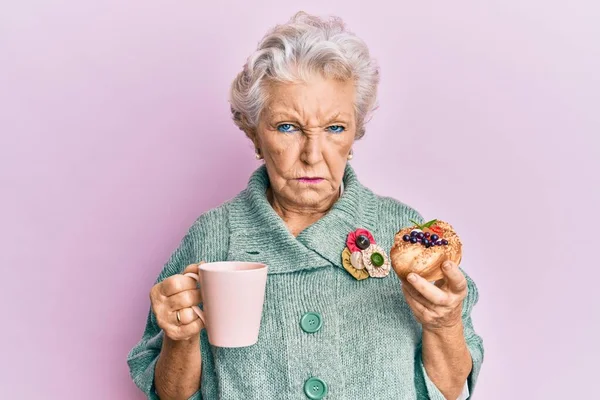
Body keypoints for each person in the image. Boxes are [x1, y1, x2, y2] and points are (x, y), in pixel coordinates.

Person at [127, 11, 484, 400]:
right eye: (287, 127)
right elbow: (172, 395)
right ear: (253, 131)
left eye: (334, 128)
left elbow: (451, 390)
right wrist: (178, 339)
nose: (313, 154)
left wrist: (445, 325)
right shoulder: (213, 236)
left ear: (356, 129)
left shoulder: (404, 233)